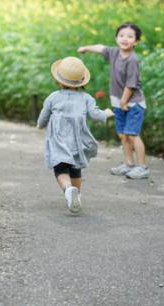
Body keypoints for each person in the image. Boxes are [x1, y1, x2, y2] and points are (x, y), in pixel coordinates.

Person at [37, 56, 114, 213]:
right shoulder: (86, 98)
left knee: (60, 169)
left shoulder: (53, 97)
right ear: (81, 81)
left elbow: (44, 116)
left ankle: (67, 190)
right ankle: (76, 195)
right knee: (75, 167)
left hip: (58, 140)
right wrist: (106, 113)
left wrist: (40, 124)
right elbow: (96, 115)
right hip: (77, 141)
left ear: (59, 80)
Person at [78, 22, 149, 179]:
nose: (125, 39)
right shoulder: (114, 53)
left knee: (132, 134)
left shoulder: (132, 60)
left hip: (132, 104)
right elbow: (99, 47)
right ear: (116, 38)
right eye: (122, 35)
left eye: (130, 37)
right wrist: (86, 48)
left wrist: (124, 102)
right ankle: (129, 164)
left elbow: (131, 85)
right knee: (123, 135)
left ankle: (142, 167)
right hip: (119, 103)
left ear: (136, 42)